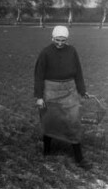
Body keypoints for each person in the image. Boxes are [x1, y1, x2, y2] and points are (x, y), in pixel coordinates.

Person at [34, 25, 92, 169]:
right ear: (52, 38)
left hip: (69, 90)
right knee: (49, 121)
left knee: (73, 122)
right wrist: (39, 97)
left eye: (63, 40)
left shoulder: (72, 51)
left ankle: (79, 158)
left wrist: (82, 90)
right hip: (50, 91)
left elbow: (78, 71)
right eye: (57, 40)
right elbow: (39, 76)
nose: (60, 43)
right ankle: (47, 151)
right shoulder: (45, 53)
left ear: (67, 39)